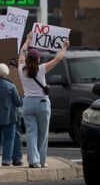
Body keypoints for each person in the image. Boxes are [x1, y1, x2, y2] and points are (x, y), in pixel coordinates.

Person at [18, 32, 69, 168]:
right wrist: (64, 47)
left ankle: (32, 161)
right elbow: (57, 59)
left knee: (31, 133)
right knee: (43, 133)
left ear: (27, 59)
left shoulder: (21, 69)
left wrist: (28, 40)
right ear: (38, 60)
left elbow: (22, 52)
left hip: (28, 102)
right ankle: (40, 161)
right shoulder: (42, 69)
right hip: (42, 103)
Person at [0, 64, 23, 166]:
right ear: (6, 73)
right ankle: (6, 160)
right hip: (8, 116)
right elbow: (18, 102)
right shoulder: (11, 86)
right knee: (9, 138)